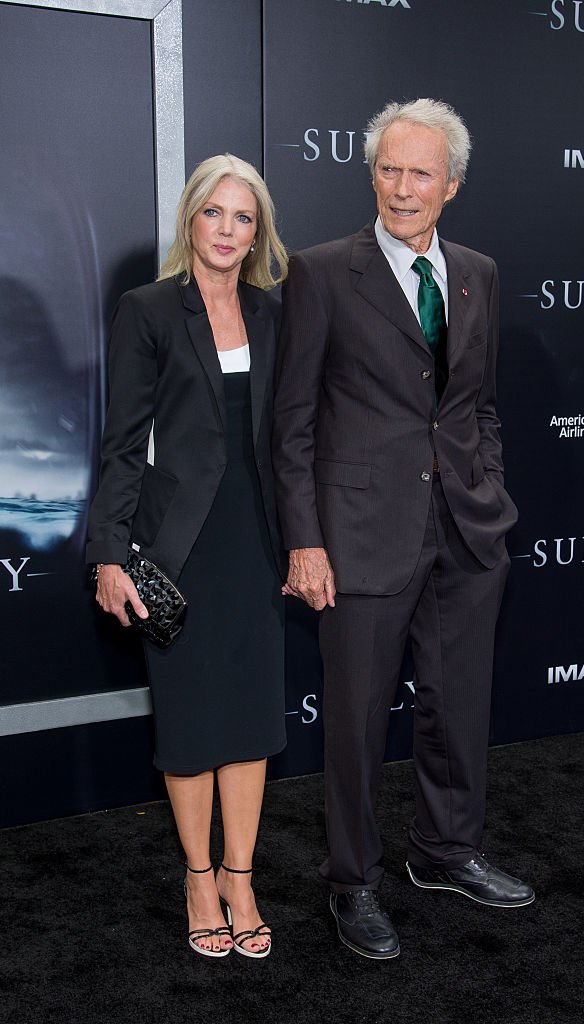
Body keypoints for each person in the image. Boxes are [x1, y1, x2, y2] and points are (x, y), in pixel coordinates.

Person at [272, 99, 534, 960]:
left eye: (422, 173)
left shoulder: (479, 273)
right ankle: (353, 882)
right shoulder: (319, 272)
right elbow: (294, 423)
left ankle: (445, 851)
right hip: (357, 535)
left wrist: (488, 493)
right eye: (389, 168)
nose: (403, 187)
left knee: (457, 707)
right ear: (371, 173)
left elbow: (478, 406)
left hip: (465, 529)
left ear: (451, 185)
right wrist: (306, 541)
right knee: (353, 722)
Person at [87, 154, 288, 960]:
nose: (228, 231)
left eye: (244, 218)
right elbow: (123, 444)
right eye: (215, 214)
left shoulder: (275, 313)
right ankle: (198, 876)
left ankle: (242, 875)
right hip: (181, 544)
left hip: (259, 539)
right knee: (193, 720)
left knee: (248, 717)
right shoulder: (149, 309)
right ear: (191, 219)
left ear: (258, 230)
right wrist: (109, 555)